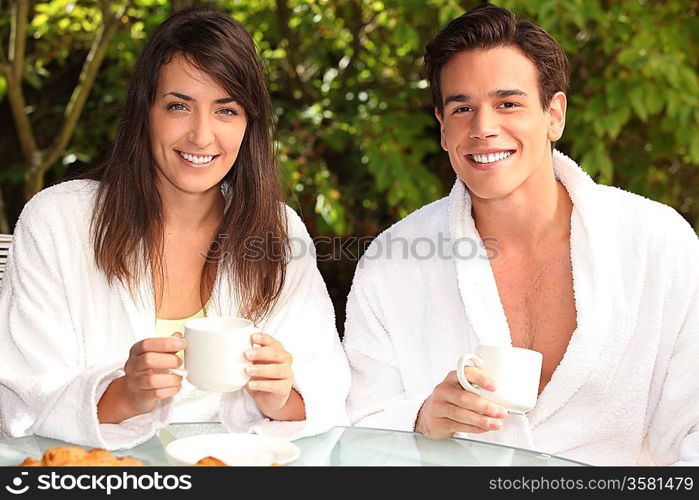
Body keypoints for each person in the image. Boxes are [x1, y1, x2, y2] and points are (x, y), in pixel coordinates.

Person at [342, 4, 699, 466]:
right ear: (443, 128)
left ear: (554, 115)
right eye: (462, 108)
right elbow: (353, 431)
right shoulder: (392, 262)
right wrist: (418, 418)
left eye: (508, 103)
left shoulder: (658, 243)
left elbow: (693, 423)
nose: (484, 128)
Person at [0, 7, 350, 449]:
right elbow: (19, 400)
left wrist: (279, 396)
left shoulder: (279, 233)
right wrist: (124, 394)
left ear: (250, 124)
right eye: (179, 106)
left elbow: (329, 394)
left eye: (226, 110)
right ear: (145, 111)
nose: (202, 136)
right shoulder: (57, 222)